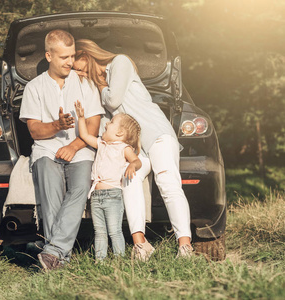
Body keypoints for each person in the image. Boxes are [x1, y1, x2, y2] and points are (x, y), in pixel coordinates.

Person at [73, 39, 194, 261]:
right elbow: (104, 124)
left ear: (86, 55)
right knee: (128, 179)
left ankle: (185, 246)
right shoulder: (95, 84)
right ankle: (141, 244)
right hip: (136, 149)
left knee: (167, 183)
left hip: (156, 134)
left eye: (77, 65)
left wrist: (99, 83)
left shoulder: (120, 63)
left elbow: (113, 100)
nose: (77, 71)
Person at [19, 30, 105, 271]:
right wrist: (58, 126)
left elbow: (95, 126)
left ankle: (52, 251)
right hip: (46, 150)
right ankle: (59, 258)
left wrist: (73, 145)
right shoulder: (34, 88)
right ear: (49, 55)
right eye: (63, 57)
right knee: (51, 191)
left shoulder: (86, 84)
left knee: (79, 188)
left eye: (72, 56)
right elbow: (35, 131)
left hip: (81, 150)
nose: (70, 62)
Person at [75, 100, 142, 260]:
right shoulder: (101, 143)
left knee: (114, 231)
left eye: (111, 122)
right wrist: (81, 118)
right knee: (99, 232)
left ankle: (119, 261)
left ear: (120, 133)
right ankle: (100, 262)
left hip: (112, 196)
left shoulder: (123, 148)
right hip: (96, 197)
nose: (106, 124)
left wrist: (132, 165)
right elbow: (84, 135)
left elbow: (137, 161)